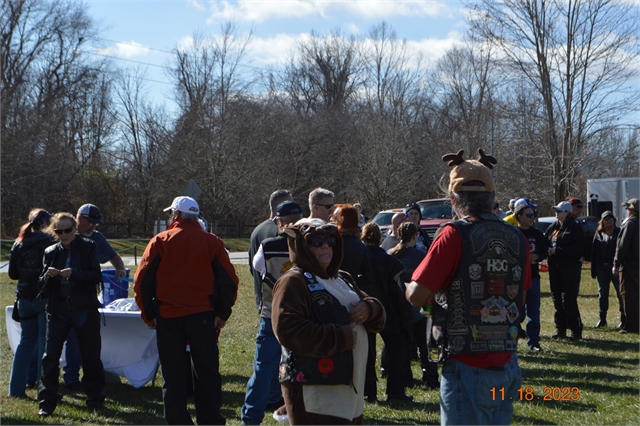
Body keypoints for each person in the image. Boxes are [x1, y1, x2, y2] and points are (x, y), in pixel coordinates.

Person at [406, 149, 531, 425]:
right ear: (492, 199)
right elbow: (520, 299)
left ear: (454, 200)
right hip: (507, 362)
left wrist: (407, 286)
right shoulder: (516, 236)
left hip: (467, 365)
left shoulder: (453, 234)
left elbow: (417, 296)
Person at [134, 196, 239, 425]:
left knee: (172, 375)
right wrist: (222, 313)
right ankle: (210, 420)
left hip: (169, 317)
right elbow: (229, 281)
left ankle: (178, 421)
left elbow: (141, 281)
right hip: (202, 317)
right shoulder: (211, 242)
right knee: (207, 373)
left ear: (175, 215)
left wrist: (149, 313)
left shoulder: (161, 241)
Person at [272, 218, 385, 424]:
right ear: (301, 245)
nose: (325, 245)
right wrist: (340, 337)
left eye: (330, 241)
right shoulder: (293, 281)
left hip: (349, 390)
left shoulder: (343, 278)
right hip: (315, 391)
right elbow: (287, 329)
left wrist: (370, 309)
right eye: (316, 241)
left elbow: (376, 314)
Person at [37, 212, 105, 417]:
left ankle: (95, 399)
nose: (64, 234)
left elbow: (96, 276)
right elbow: (40, 285)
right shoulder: (50, 252)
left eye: (68, 230)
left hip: (83, 308)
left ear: (75, 229)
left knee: (90, 356)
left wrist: (74, 273)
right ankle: (46, 402)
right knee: (50, 357)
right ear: (54, 232)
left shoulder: (88, 246)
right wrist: (47, 276)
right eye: (59, 231)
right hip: (58, 310)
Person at [241, 201, 303, 425]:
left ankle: (250, 419)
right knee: (302, 373)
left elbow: (257, 268)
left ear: (280, 221)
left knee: (263, 372)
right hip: (301, 319)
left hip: (272, 316)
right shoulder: (310, 246)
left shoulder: (267, 246)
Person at [61, 203, 128, 391]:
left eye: (96, 224)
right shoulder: (66, 236)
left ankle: (89, 380)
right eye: (90, 223)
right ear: (79, 219)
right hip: (65, 299)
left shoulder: (97, 238)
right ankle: (70, 379)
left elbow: (114, 256)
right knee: (70, 342)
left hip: (88, 299)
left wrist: (120, 269)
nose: (93, 227)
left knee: (88, 342)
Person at [330, 204, 378, 401]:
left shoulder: (333, 242)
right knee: (367, 346)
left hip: (335, 294)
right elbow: (369, 275)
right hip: (356, 298)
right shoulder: (360, 245)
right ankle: (370, 389)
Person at [361, 222, 413, 403]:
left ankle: (369, 392)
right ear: (380, 239)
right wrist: (405, 316)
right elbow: (401, 291)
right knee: (394, 351)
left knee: (367, 353)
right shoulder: (391, 262)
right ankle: (395, 392)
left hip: (365, 311)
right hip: (389, 311)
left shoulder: (359, 260)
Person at [8, 209, 54, 397]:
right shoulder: (50, 244)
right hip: (43, 298)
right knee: (44, 346)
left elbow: (13, 274)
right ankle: (42, 391)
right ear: (46, 224)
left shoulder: (18, 244)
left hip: (23, 297)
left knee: (25, 344)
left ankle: (16, 390)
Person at [389, 222, 438, 392]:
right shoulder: (420, 255)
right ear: (415, 236)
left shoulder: (391, 254)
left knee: (403, 344)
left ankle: (405, 377)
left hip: (398, 306)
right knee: (426, 344)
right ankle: (431, 377)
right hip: (421, 306)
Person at [545, 201, 585, 340]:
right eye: (556, 210)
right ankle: (560, 330)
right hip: (554, 268)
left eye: (559, 210)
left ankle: (576, 330)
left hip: (570, 269)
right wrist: (547, 251)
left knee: (568, 300)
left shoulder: (574, 227)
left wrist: (558, 251)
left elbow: (579, 249)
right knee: (556, 299)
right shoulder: (553, 227)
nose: (556, 212)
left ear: (567, 212)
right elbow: (545, 242)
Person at [249, 190, 294, 312]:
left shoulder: (257, 231)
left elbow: (253, 268)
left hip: (263, 300)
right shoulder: (279, 233)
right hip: (280, 303)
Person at [514, 203, 548, 351]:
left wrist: (537, 256)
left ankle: (534, 342)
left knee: (533, 310)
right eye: (528, 215)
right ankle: (511, 341)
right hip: (515, 278)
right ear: (519, 216)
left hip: (533, 276)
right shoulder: (513, 233)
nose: (531, 218)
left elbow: (545, 251)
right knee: (513, 310)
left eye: (533, 215)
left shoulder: (537, 234)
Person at [591, 211, 622, 329]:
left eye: (610, 218)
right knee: (602, 294)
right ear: (602, 221)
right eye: (606, 218)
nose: (608, 220)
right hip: (601, 267)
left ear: (614, 220)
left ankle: (624, 319)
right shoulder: (598, 234)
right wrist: (594, 270)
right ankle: (602, 319)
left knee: (620, 293)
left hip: (616, 267)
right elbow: (594, 253)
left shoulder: (619, 232)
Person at [613, 198, 639, 334]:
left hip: (629, 265)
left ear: (631, 210)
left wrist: (616, 264)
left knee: (628, 295)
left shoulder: (630, 223)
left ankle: (632, 326)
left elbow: (622, 245)